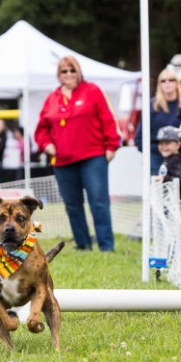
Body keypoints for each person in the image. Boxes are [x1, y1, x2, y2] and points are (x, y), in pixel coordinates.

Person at [35, 55, 120, 252]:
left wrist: (111, 146)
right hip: (63, 161)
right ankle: (83, 245)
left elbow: (108, 119)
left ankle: (106, 246)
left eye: (72, 70)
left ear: (79, 72)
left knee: (98, 201)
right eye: (64, 71)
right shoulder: (52, 99)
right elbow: (41, 130)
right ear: (59, 75)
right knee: (72, 204)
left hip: (93, 156)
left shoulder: (93, 91)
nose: (69, 74)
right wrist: (47, 145)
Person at [135, 68, 181, 174]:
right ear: (159, 85)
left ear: (177, 83)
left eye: (171, 80)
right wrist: (153, 151)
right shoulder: (151, 105)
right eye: (163, 81)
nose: (167, 83)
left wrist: (179, 149)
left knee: (180, 184)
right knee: (157, 184)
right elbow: (139, 136)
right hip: (156, 156)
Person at [153, 126, 181, 199]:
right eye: (161, 143)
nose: (163, 147)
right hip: (167, 199)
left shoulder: (176, 160)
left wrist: (164, 179)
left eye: (167, 143)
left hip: (174, 200)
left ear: (178, 145)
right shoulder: (168, 159)